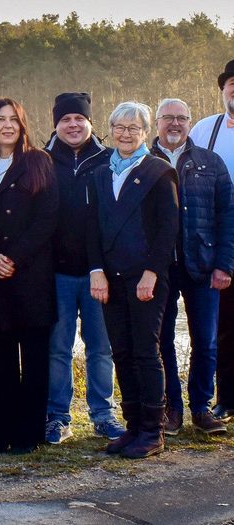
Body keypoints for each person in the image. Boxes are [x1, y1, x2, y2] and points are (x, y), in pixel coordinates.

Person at [88, 101, 179, 459]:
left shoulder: (159, 171)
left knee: (145, 351)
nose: (126, 134)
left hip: (146, 278)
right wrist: (96, 270)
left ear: (145, 132)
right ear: (110, 130)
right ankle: (132, 425)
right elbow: (91, 227)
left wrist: (152, 273)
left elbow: (168, 228)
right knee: (121, 352)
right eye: (119, 127)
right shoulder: (99, 172)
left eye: (134, 128)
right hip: (110, 278)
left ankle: (152, 431)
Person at [0, 98, 59, 454]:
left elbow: (47, 219)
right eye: (0, 119)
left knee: (35, 358)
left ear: (23, 124)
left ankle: (30, 434)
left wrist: (14, 258)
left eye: (14, 120)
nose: (7, 125)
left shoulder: (39, 161)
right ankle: (3, 431)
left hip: (32, 276)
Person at [43, 92, 124, 445]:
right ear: (56, 125)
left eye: (79, 119)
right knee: (57, 348)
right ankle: (58, 417)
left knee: (100, 348)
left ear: (91, 122)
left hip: (98, 274)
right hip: (56, 274)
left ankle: (103, 415)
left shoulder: (109, 160)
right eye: (65, 120)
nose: (73, 125)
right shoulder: (42, 161)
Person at [150, 98, 233, 435]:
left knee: (206, 340)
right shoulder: (143, 161)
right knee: (163, 341)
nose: (174, 124)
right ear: (156, 122)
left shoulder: (210, 162)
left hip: (202, 263)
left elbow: (228, 216)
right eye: (167, 117)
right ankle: (172, 410)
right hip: (159, 268)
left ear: (190, 123)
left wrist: (225, 264)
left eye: (181, 118)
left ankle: (201, 408)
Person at [189, 59, 234, 421]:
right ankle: (226, 398)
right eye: (230, 83)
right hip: (217, 240)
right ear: (222, 90)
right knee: (224, 325)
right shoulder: (207, 129)